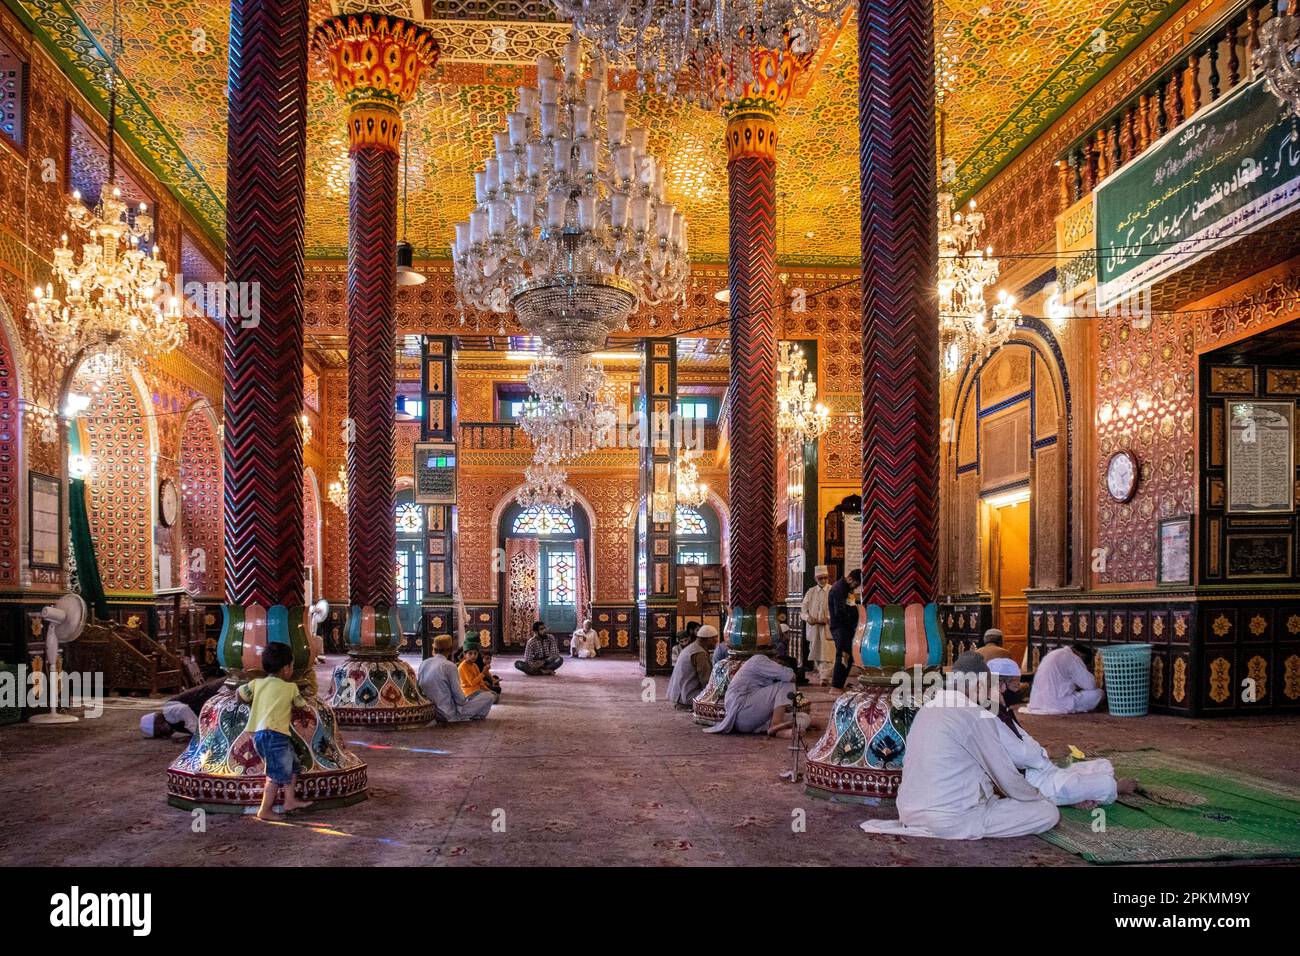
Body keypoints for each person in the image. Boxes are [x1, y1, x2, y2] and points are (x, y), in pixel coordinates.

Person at [859, 653, 1059, 840]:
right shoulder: (973, 714)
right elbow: (1006, 776)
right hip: (950, 819)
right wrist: (1040, 797)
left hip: (908, 812)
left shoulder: (927, 708)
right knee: (1047, 812)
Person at [986, 658, 1136, 808]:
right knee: (1101, 784)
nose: (1019, 689)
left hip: (1038, 768)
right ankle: (1112, 788)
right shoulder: (989, 716)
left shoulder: (1001, 710)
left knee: (1103, 766)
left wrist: (1043, 754)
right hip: (1028, 781)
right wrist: (1046, 753)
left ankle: (1076, 795)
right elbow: (1019, 756)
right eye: (1016, 685)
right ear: (1000, 686)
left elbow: (1023, 741)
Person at [238, 643, 313, 820]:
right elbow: (303, 705)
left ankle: (289, 800)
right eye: (292, 666)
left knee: (292, 765)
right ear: (287, 669)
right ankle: (264, 810)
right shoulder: (290, 688)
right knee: (275, 775)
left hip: (260, 734)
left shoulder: (256, 684)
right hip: (275, 736)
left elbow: (240, 695)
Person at [705, 653, 799, 735]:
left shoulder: (768, 677)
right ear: (776, 660)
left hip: (751, 721)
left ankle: (779, 732)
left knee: (803, 718)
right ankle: (777, 723)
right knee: (788, 684)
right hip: (741, 711)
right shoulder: (759, 659)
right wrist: (786, 671)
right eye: (780, 666)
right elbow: (790, 676)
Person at [418, 634, 494, 722]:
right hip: (447, 713)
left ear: (434, 649)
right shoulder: (449, 666)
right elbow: (460, 699)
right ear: (450, 650)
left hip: (429, 712)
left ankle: (474, 715)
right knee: (489, 696)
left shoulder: (424, 663)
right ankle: (475, 716)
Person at [1025, 644, 1104, 715]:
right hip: (1057, 704)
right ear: (1081, 656)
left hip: (1036, 702)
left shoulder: (1054, 653)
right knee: (1098, 693)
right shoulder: (1074, 658)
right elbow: (1090, 685)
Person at [139, 676, 226, 739]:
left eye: (159, 730)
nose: (164, 734)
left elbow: (184, 710)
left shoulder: (168, 713)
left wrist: (200, 736)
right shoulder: (174, 725)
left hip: (219, 690)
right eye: (159, 734)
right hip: (219, 697)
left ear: (158, 720)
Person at [667, 623, 718, 709]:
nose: (716, 642)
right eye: (714, 639)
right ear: (708, 639)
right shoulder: (699, 653)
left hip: (678, 695)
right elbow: (706, 680)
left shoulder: (692, 647)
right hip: (687, 697)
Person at [828, 568, 862, 690]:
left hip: (846, 628)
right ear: (850, 579)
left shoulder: (847, 589)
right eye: (856, 584)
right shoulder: (839, 589)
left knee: (849, 655)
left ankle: (840, 684)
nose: (856, 587)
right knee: (843, 655)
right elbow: (840, 612)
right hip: (840, 627)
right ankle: (835, 686)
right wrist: (854, 614)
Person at [801, 566, 833, 684]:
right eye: (820, 578)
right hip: (814, 628)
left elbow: (838, 610)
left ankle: (824, 677)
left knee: (828, 653)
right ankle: (822, 675)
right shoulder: (810, 592)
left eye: (825, 578)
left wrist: (828, 618)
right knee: (816, 652)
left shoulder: (832, 590)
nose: (823, 581)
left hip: (828, 628)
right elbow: (803, 611)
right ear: (816, 579)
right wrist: (808, 618)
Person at [458, 634, 501, 704]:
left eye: (475, 653)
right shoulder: (463, 666)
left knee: (495, 695)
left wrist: (488, 690)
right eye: (470, 653)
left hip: (477, 690)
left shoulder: (474, 665)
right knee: (493, 697)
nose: (473, 656)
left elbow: (480, 682)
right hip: (468, 693)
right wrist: (483, 673)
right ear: (465, 655)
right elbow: (472, 683)